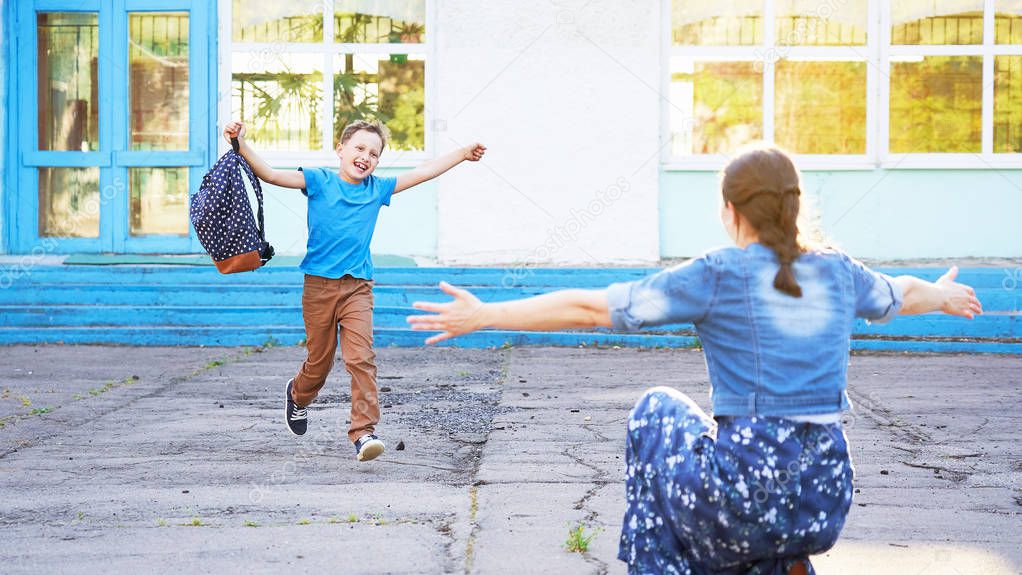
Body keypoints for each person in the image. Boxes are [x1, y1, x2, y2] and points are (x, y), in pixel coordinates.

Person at [405, 146, 981, 573]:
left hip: (746, 491)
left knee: (657, 412)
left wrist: (486, 315)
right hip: (823, 500)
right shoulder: (838, 270)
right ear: (794, 206)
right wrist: (944, 294)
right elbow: (902, 294)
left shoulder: (719, 273)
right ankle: (781, 564)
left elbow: (588, 309)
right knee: (738, 528)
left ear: (731, 211)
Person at [223, 119, 485, 462]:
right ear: (341, 149)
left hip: (357, 288)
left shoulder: (377, 189)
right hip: (317, 287)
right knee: (319, 362)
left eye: (374, 154)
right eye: (359, 148)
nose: (365, 157)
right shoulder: (319, 180)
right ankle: (298, 396)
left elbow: (424, 172)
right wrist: (240, 143)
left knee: (361, 359)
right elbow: (271, 175)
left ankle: (364, 433)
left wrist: (463, 153)